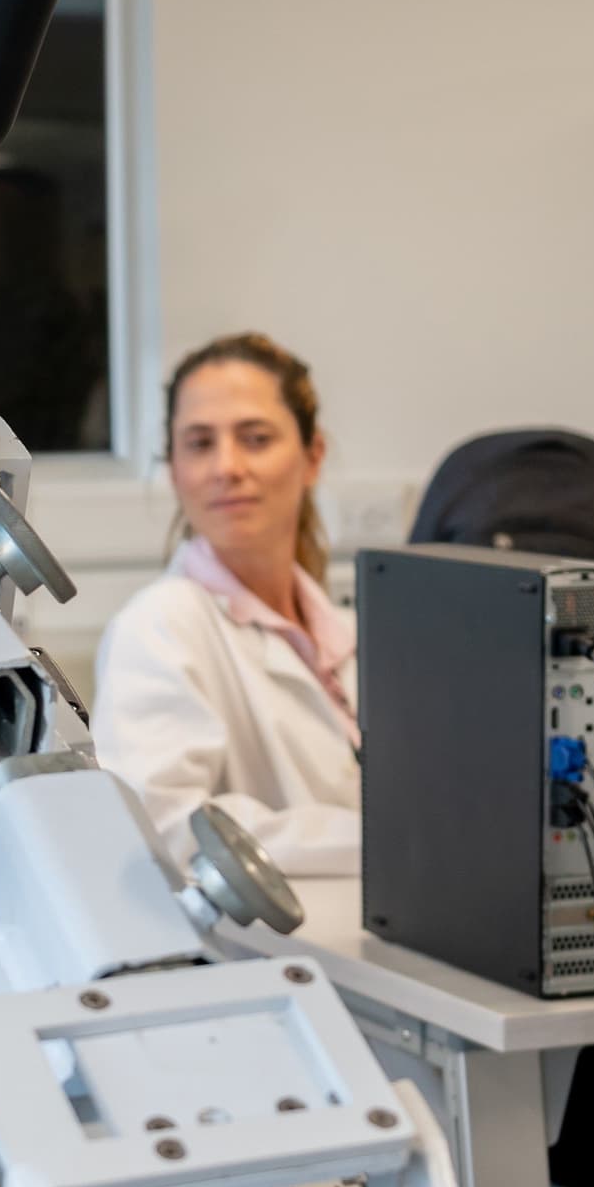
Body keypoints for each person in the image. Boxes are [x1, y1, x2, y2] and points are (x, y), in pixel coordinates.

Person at [89, 333, 361, 875]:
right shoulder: (160, 625)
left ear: (313, 457)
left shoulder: (348, 631)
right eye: (199, 443)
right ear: (173, 469)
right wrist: (380, 840)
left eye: (256, 438)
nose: (227, 467)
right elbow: (164, 825)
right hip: (263, 950)